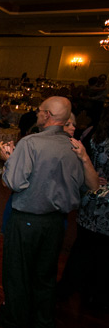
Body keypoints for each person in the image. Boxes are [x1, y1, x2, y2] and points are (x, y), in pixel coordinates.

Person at [0, 96, 98, 328]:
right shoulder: (75, 146)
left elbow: (15, 182)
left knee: (17, 272)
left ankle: (14, 320)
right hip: (56, 223)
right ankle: (44, 325)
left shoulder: (31, 143)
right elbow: (91, 185)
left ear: (47, 115)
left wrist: (8, 161)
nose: (36, 113)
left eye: (39, 111)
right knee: (45, 275)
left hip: (28, 220)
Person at [57, 108, 109, 310]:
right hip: (104, 206)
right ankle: (93, 296)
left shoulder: (94, 136)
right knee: (102, 253)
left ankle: (69, 288)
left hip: (90, 199)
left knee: (83, 247)